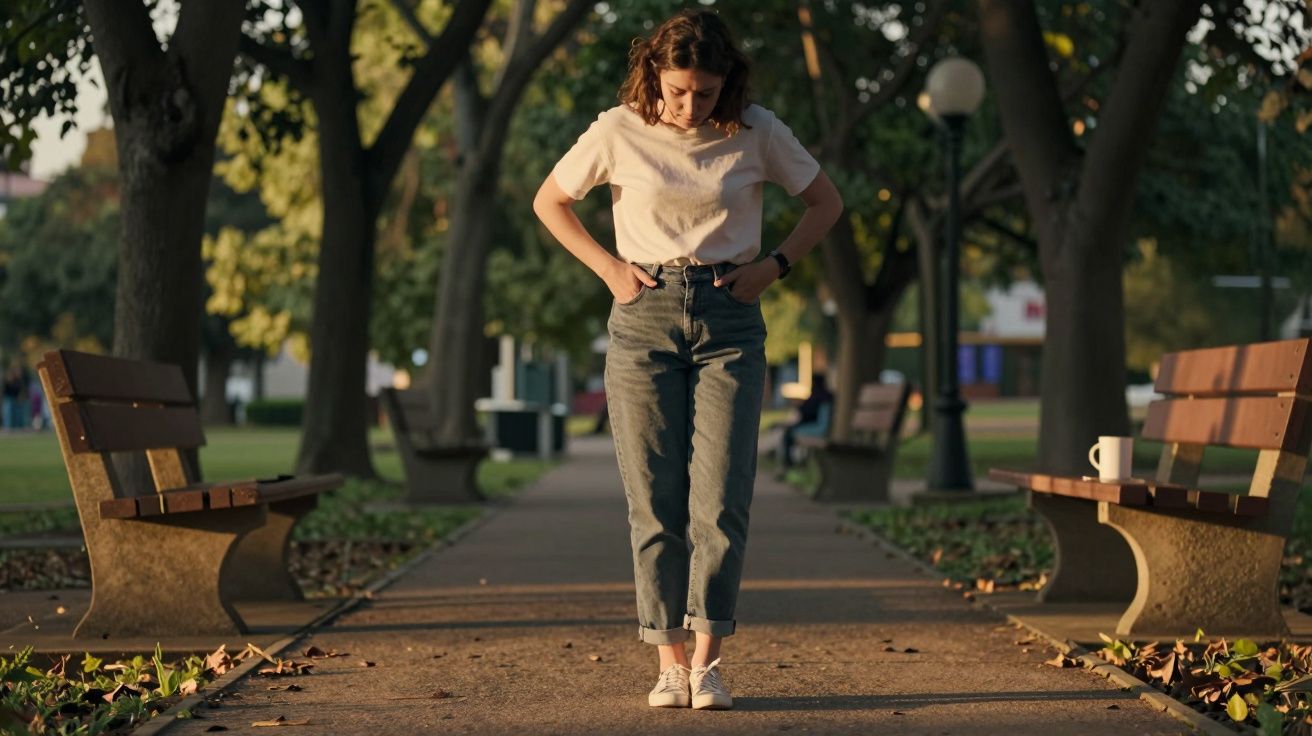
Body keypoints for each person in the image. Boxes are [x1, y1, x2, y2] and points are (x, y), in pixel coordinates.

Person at [533, 9, 842, 710]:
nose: (690, 105)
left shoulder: (757, 130)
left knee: (722, 499)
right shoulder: (618, 129)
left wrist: (775, 265)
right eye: (677, 90)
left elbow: (825, 203)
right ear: (654, 74)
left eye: (705, 92)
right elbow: (550, 201)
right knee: (655, 500)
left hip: (731, 315)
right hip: (643, 314)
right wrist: (608, 269)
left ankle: (707, 662)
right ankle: (668, 661)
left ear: (726, 82)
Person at [777, 373, 833, 471]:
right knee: (790, 431)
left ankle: (789, 463)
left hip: (818, 428)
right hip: (819, 426)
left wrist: (799, 407)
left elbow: (806, 411)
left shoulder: (818, 395)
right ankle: (792, 463)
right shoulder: (826, 395)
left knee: (789, 433)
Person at [2, 358, 28, 431]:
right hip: (8, 398)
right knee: (9, 413)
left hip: (16, 398)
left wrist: (20, 396)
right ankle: (8, 428)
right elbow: (4, 389)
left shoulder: (19, 379)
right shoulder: (8, 378)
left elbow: (22, 389)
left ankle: (16, 428)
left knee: (17, 414)